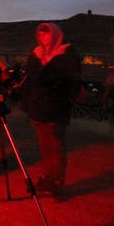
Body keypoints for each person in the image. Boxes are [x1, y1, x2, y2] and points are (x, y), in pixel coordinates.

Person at [20, 22, 81, 203]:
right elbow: (29, 81)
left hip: (56, 107)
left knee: (56, 144)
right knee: (44, 144)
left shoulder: (66, 55)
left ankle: (57, 181)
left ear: (54, 35)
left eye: (46, 34)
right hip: (37, 107)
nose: (42, 37)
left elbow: (73, 82)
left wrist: (65, 100)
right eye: (40, 34)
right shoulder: (36, 55)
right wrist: (26, 101)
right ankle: (47, 177)